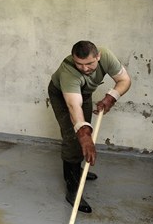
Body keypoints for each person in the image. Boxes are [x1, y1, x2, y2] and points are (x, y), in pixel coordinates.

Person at [48, 41, 131, 213]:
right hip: (63, 96)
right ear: (73, 59)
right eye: (79, 64)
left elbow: (124, 80)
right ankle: (73, 191)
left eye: (89, 64)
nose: (85, 69)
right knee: (74, 137)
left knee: (84, 130)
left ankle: (78, 170)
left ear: (98, 57)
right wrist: (84, 135)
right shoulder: (68, 71)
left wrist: (111, 97)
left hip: (84, 93)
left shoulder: (106, 55)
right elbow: (73, 106)